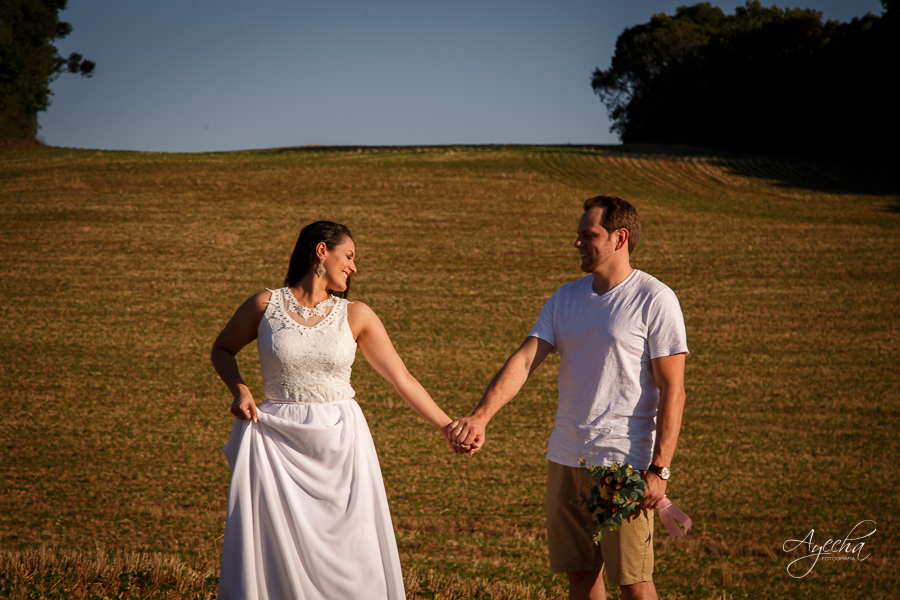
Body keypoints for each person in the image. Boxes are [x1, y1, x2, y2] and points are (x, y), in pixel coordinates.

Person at [448, 196, 688, 600]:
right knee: (580, 576)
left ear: (619, 237)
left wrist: (659, 469)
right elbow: (524, 361)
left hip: (622, 465)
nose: (577, 243)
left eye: (588, 235)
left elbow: (673, 390)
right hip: (565, 458)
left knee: (633, 581)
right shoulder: (565, 298)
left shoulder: (654, 298)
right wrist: (480, 417)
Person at [210, 221, 456, 600]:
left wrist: (447, 425)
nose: (354, 267)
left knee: (353, 555)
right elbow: (222, 349)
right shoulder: (265, 304)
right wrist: (239, 388)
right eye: (350, 256)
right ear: (322, 252)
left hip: (342, 446)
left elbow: (402, 379)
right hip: (276, 443)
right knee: (274, 557)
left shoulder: (356, 315)